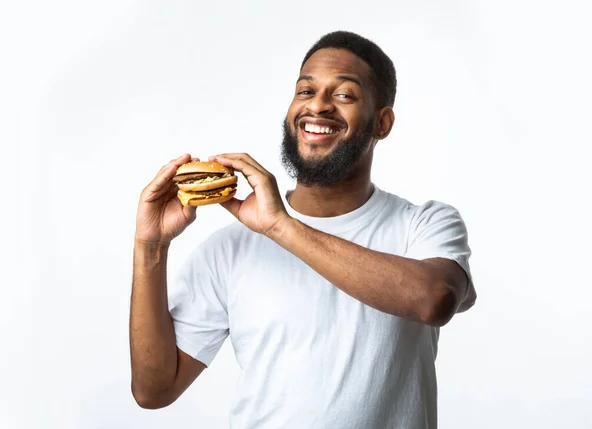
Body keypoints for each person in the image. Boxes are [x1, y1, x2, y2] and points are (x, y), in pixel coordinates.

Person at [129, 30, 476, 429]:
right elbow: (153, 391)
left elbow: (434, 299)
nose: (318, 106)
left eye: (344, 95)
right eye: (305, 90)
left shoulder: (425, 224)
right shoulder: (229, 249)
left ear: (382, 123)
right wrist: (149, 246)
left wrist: (282, 227)